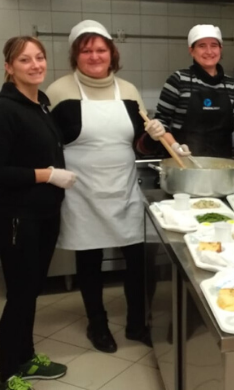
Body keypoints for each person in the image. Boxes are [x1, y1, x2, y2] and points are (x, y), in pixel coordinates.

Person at [46, 20, 156, 353]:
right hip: (82, 193)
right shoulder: (58, 92)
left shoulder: (129, 91)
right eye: (86, 50)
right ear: (76, 56)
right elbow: (46, 142)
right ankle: (98, 325)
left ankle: (138, 324)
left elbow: (140, 142)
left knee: (136, 261)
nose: (94, 56)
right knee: (90, 262)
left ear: (112, 53)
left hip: (123, 190)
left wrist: (156, 138)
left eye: (100, 49)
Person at [0, 36, 76, 390]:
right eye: (25, 60)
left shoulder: (40, 103)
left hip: (45, 215)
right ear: (9, 67)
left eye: (40, 58)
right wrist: (47, 175)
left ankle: (26, 357)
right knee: (20, 295)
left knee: (31, 291)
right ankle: (3, 372)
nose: (35, 65)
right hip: (20, 219)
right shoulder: (5, 109)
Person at [150, 24, 234, 169]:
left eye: (214, 45)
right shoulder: (178, 80)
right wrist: (175, 146)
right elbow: (161, 122)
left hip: (222, 167)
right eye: (202, 46)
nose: (209, 51)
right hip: (183, 165)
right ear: (191, 51)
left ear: (221, 49)